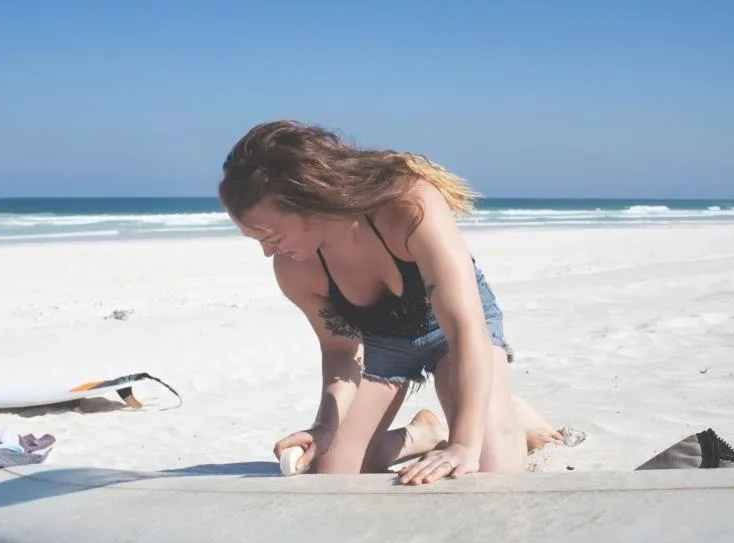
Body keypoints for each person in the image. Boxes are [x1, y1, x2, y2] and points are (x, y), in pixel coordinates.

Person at [218, 120, 562, 485]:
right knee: (332, 475)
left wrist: (462, 443)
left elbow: (464, 328)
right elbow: (339, 350)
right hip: (383, 344)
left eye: (270, 235)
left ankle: (507, 414)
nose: (267, 251)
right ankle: (422, 435)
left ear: (311, 202)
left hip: (454, 332)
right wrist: (324, 426)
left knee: (490, 471)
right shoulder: (295, 269)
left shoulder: (408, 204)